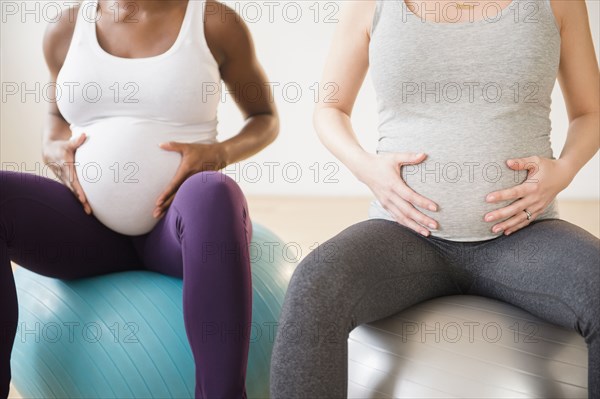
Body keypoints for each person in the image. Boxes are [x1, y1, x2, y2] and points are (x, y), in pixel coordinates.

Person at [270, 0, 599, 397]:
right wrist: (367, 168)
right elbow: (329, 108)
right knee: (315, 285)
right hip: (404, 235)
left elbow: (589, 112)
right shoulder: (371, 5)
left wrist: (563, 170)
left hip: (525, 234)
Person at [0, 0, 278, 398]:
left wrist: (221, 152)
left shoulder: (212, 21)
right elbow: (55, 118)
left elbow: (265, 117)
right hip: (87, 230)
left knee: (215, 193)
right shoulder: (66, 27)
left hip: (176, 232)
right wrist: (52, 147)